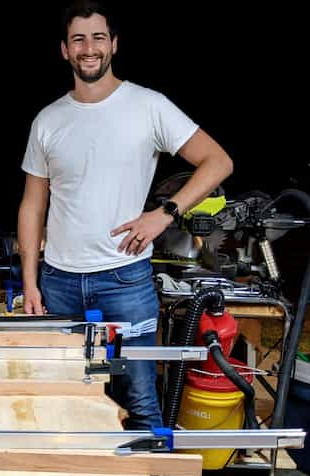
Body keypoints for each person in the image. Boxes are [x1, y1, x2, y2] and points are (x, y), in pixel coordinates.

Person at [18, 1, 233, 430]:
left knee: (139, 402)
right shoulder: (48, 120)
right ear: (65, 50)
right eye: (78, 39)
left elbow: (217, 161)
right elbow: (32, 204)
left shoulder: (148, 106)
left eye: (98, 37)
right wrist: (30, 280)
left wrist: (165, 212)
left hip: (125, 279)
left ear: (113, 44)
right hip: (58, 283)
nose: (89, 48)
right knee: (62, 400)